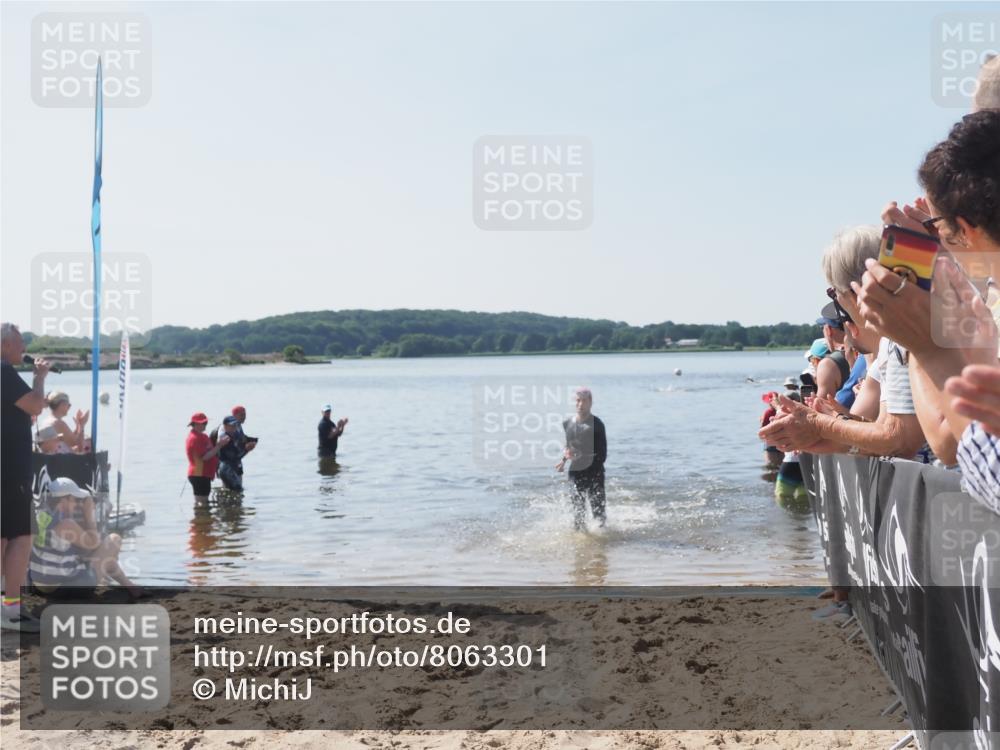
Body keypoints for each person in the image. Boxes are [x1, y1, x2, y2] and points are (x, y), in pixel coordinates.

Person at [1, 323, 49, 631]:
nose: (24, 349)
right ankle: (10, 609)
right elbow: (36, 405)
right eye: (20, 343)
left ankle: (6, 607)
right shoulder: (4, 372)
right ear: (5, 344)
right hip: (9, 468)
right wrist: (39, 378)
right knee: (21, 536)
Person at [28, 477, 142, 597]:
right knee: (114, 540)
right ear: (64, 500)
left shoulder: (42, 516)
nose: (76, 504)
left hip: (40, 584)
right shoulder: (65, 524)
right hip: (62, 588)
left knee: (106, 559)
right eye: (74, 500)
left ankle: (132, 588)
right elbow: (94, 543)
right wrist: (89, 513)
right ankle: (132, 589)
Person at [556, 388, 608, 530]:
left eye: (584, 401)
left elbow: (603, 455)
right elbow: (569, 446)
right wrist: (563, 460)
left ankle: (601, 541)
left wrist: (581, 455)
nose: (580, 404)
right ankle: (580, 539)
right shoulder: (567, 423)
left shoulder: (597, 425)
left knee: (599, 515)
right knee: (578, 514)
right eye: (578, 400)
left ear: (590, 402)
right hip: (576, 473)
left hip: (595, 472)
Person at [186, 412, 228, 504]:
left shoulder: (203, 436)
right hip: (198, 474)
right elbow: (204, 457)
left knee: (204, 504)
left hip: (204, 474)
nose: (205, 425)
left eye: (206, 422)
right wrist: (219, 446)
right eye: (203, 423)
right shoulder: (195, 438)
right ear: (195, 424)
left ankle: (202, 514)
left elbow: (211, 451)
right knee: (202, 503)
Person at [217, 415, 247, 492]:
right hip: (227, 468)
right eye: (232, 425)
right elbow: (234, 456)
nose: (234, 427)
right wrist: (247, 450)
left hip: (236, 465)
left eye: (236, 425)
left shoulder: (235, 434)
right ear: (225, 426)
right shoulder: (225, 438)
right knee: (236, 490)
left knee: (238, 492)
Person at [760, 392, 783, 468]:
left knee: (771, 465)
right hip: (782, 439)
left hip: (770, 440)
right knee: (781, 463)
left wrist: (761, 420)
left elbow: (763, 427)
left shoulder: (768, 412)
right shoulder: (783, 411)